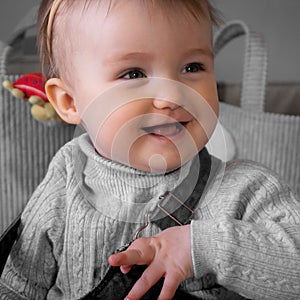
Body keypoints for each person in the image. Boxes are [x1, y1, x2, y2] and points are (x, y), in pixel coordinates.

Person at [1, 0, 300, 299]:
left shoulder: (243, 189)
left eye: (192, 67)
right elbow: (19, 283)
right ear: (70, 102)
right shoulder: (67, 177)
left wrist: (202, 247)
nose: (172, 95)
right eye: (133, 74)